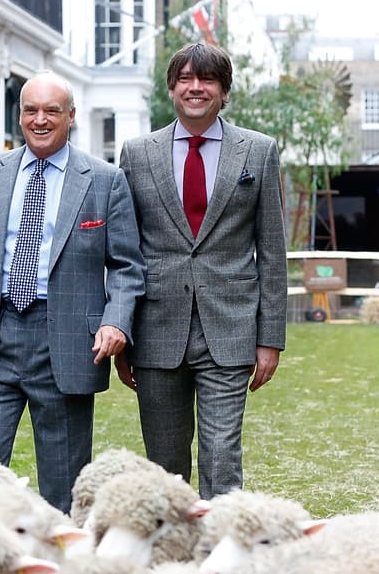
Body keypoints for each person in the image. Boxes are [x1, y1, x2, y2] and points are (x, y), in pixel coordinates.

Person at [0, 72, 145, 513]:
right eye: (31, 110)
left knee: (63, 488)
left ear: (71, 117)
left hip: (66, 348)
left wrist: (115, 320)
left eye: (52, 111)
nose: (40, 120)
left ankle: (61, 572)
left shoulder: (104, 180)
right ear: (20, 116)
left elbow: (127, 267)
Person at [115, 42, 287, 500]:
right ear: (171, 89)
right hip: (154, 330)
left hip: (230, 330)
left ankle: (221, 559)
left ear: (224, 92)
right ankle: (172, 559)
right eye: (186, 79)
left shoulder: (259, 152)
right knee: (165, 467)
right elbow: (123, 252)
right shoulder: (136, 154)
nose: (196, 88)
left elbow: (272, 251)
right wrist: (120, 330)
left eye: (207, 80)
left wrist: (270, 339)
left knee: (221, 458)